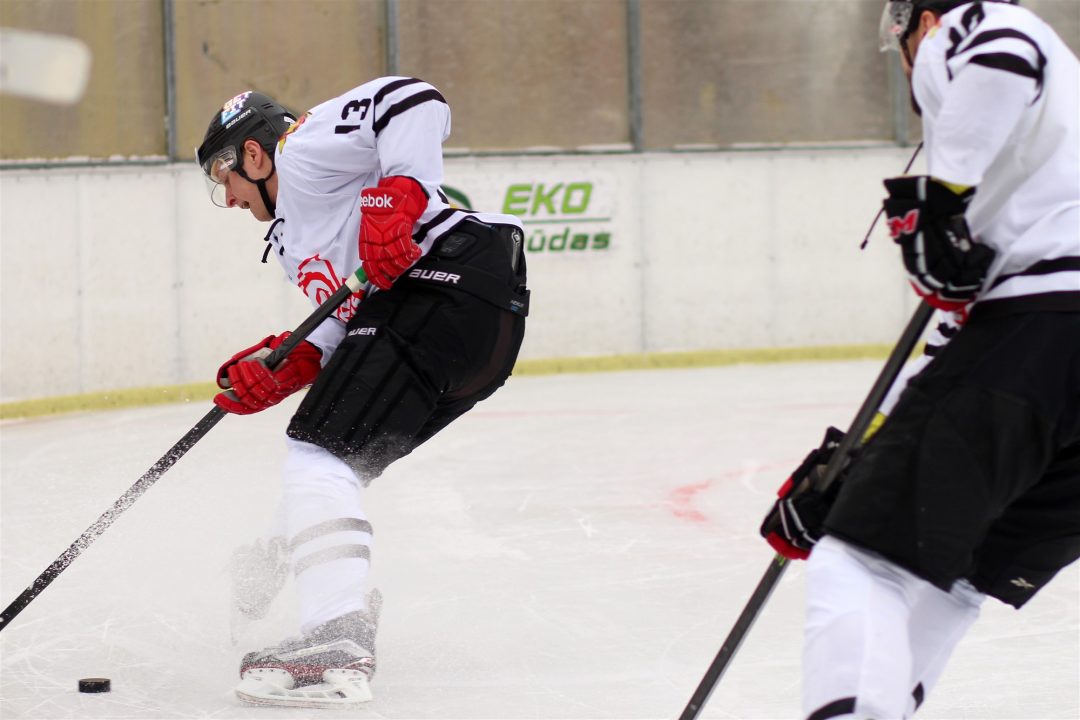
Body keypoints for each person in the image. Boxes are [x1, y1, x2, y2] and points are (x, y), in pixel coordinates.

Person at [760, 1, 1079, 717]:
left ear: (923, 22)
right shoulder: (1047, 152)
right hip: (1038, 348)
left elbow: (1005, 47)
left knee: (860, 556)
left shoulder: (966, 26)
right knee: (954, 571)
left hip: (1044, 332)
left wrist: (944, 198)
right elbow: (956, 354)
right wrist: (858, 462)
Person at [195, 78, 529, 706]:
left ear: (253, 155)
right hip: (476, 326)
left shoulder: (302, 153)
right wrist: (284, 363)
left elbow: (414, 100)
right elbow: (349, 323)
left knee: (319, 454)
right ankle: (282, 553)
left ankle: (336, 635)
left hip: (446, 283)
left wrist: (399, 194)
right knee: (339, 456)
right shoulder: (292, 240)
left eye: (224, 177)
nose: (229, 197)